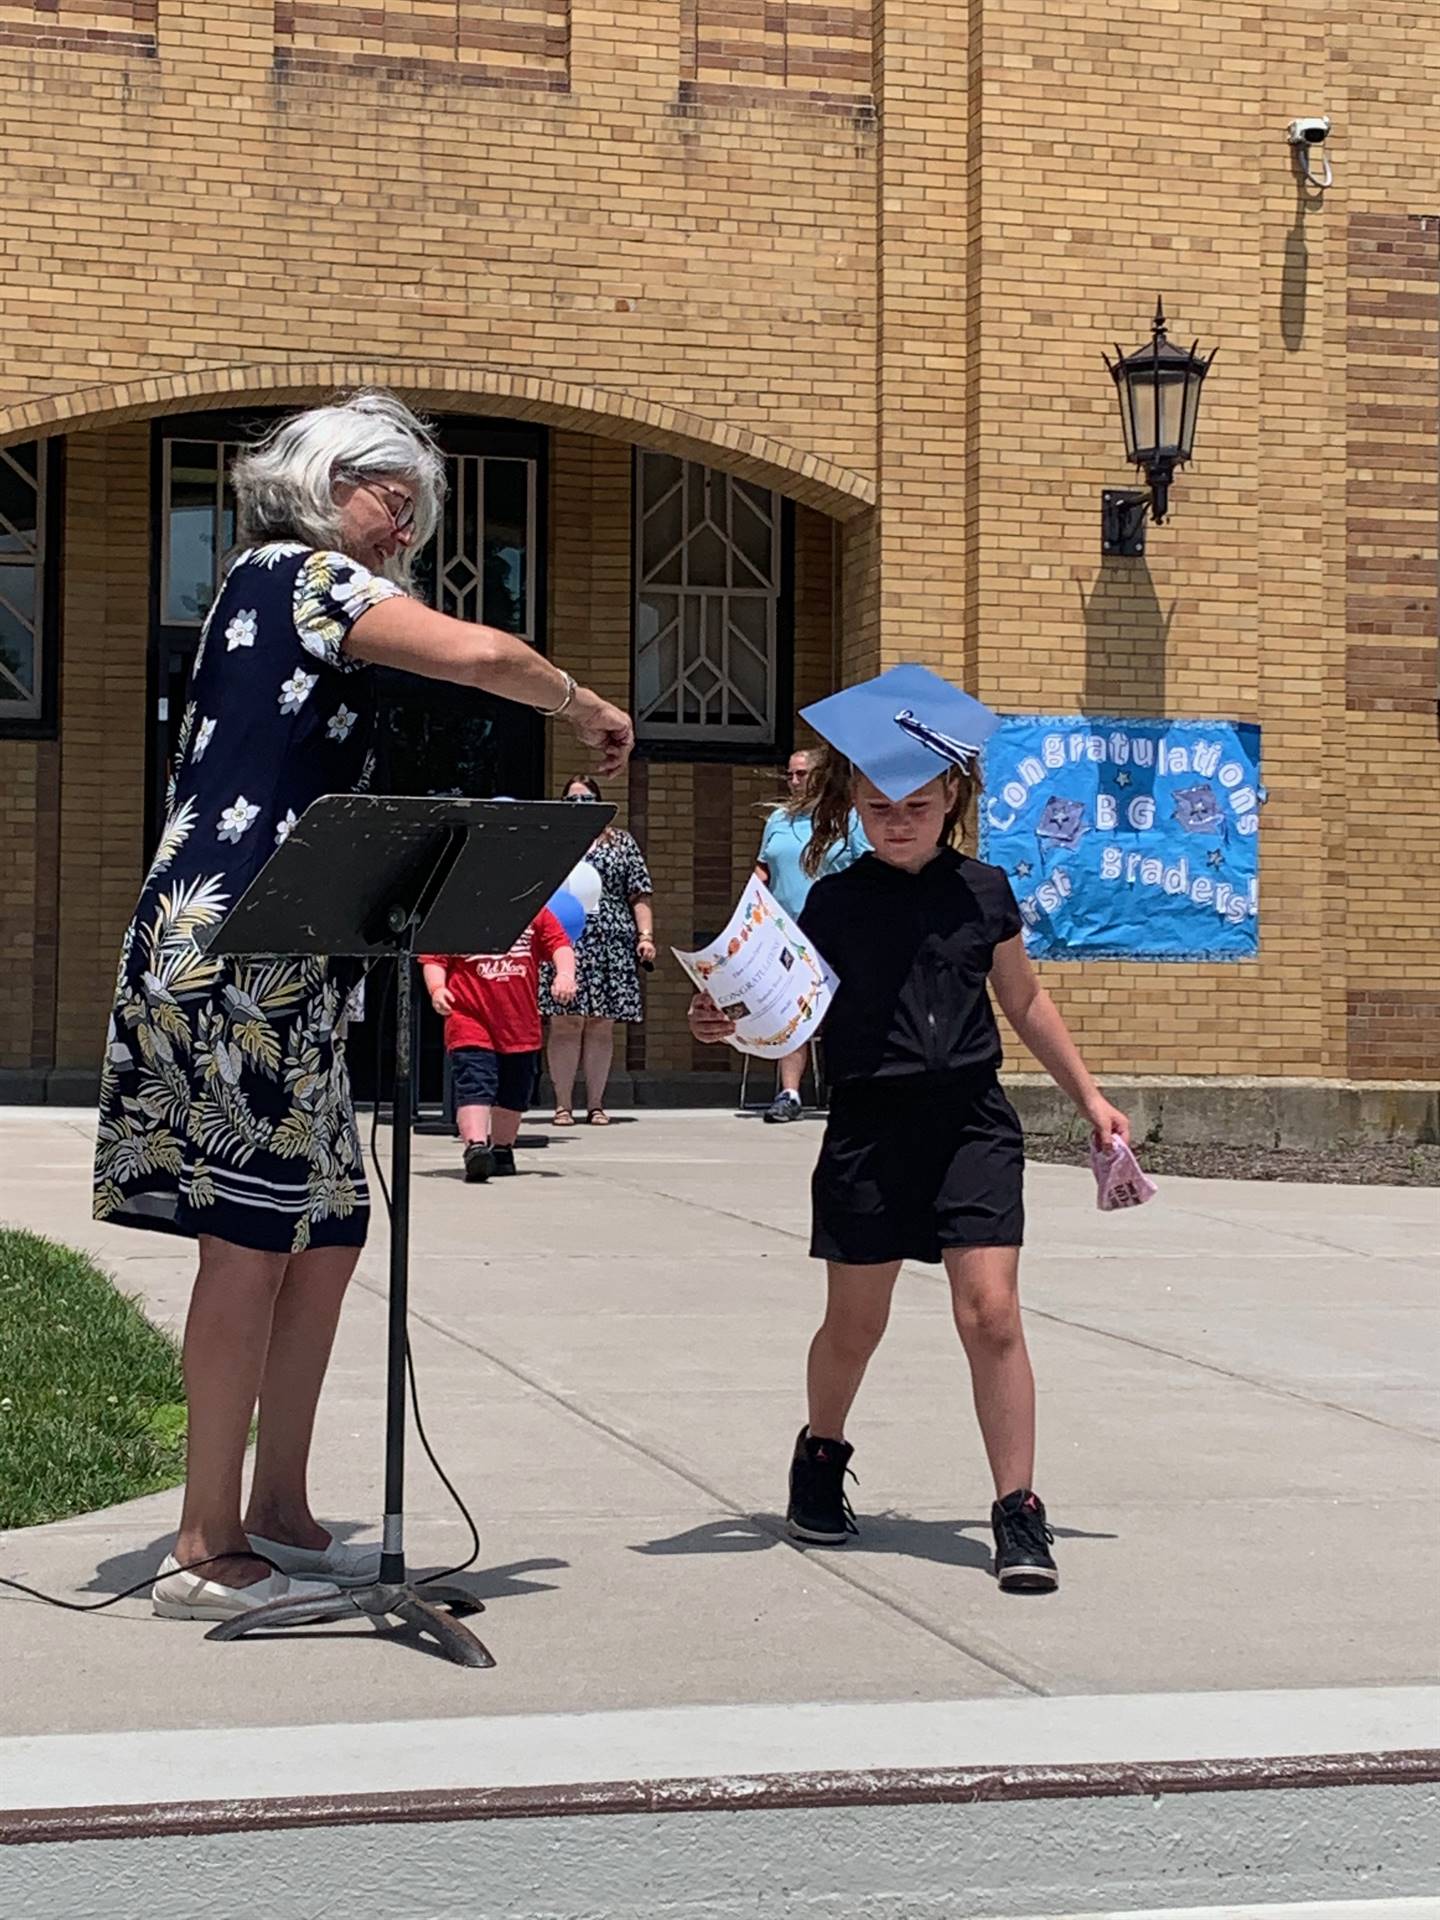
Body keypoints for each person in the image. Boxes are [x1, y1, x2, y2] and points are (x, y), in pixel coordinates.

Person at [94, 390, 632, 1623]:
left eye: (417, 510)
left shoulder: (277, 587)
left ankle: (277, 1512)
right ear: (334, 480)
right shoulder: (296, 573)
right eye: (397, 497)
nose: (409, 527)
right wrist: (585, 705)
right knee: (250, 1235)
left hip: (298, 951)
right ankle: (201, 1540)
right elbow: (484, 657)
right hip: (242, 953)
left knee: (328, 1233)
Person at [689, 668, 1127, 1594]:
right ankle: (819, 1457)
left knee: (993, 1315)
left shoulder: (985, 891)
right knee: (857, 1322)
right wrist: (724, 1017)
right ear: (853, 803)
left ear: (952, 800)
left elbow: (1026, 999)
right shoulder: (835, 903)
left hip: (971, 1120)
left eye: (918, 804)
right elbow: (781, 1005)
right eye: (881, 804)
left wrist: (1089, 1098)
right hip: (869, 1124)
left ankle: (1017, 1511)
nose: (899, 819)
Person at [753, 746, 868, 1123]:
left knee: (842, 1013)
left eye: (802, 773)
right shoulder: (778, 820)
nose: (794, 781)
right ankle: (789, 1093)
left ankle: (848, 1088)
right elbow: (763, 872)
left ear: (821, 777)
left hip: (841, 932)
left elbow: (867, 868)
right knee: (794, 1013)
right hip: (788, 933)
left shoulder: (847, 819)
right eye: (790, 774)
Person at [421, 911, 577, 1183]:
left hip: (520, 1023)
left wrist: (564, 974)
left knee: (514, 1090)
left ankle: (503, 1149)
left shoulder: (534, 910)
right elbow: (434, 958)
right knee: (475, 1083)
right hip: (470, 1018)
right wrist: (437, 988)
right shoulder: (457, 914)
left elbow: (559, 944)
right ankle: (476, 1147)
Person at [540, 776, 655, 1127]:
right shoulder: (553, 840)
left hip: (612, 941)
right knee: (565, 1022)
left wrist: (645, 935)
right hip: (564, 939)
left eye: (587, 799)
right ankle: (562, 1104)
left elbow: (639, 891)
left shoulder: (621, 843)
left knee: (601, 1024)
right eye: (572, 800)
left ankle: (596, 1103)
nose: (580, 806)